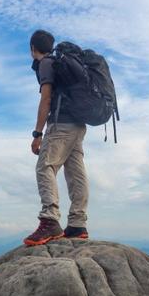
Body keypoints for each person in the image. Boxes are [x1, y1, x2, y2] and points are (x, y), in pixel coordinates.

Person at [24, 29, 89, 246]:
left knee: (45, 166)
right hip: (79, 124)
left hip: (61, 124)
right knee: (75, 171)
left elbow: (46, 99)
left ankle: (50, 220)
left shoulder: (46, 64)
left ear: (33, 48)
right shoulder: (63, 63)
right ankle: (78, 224)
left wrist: (37, 133)